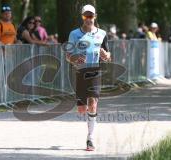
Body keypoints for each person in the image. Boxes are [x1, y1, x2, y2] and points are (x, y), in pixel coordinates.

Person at [66, 4, 111, 151]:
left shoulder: (102, 33)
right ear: (82, 17)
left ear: (95, 17)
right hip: (80, 72)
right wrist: (74, 58)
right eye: (86, 16)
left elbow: (108, 55)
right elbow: (68, 56)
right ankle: (87, 120)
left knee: (93, 103)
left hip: (95, 71)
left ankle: (90, 139)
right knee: (81, 109)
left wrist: (106, 56)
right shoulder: (74, 34)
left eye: (91, 16)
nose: (89, 18)